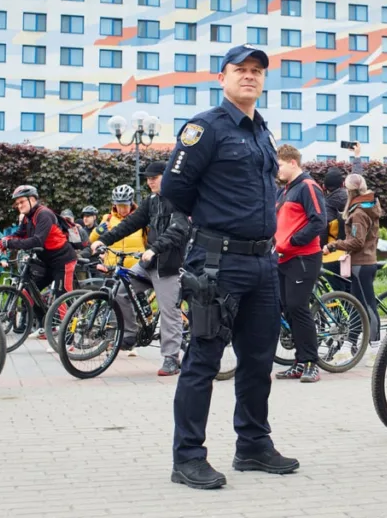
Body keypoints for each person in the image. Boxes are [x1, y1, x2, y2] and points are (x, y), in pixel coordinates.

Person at [162, 43, 298, 490]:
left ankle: (253, 445)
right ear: (221, 77)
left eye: (257, 70)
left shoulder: (262, 132)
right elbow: (175, 190)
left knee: (258, 360)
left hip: (262, 263)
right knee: (203, 360)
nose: (249, 76)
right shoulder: (205, 128)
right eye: (240, 69)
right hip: (217, 264)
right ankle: (188, 457)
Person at [90, 161, 190, 375]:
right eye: (147, 178)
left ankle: (171, 359)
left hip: (169, 265)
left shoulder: (180, 200)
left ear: (167, 176)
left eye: (154, 177)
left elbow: (178, 230)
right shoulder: (151, 201)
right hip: (148, 263)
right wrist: (104, 240)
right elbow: (130, 223)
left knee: (169, 311)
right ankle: (129, 335)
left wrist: (154, 249)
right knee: (120, 291)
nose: (150, 181)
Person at [274, 144, 327, 383]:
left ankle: (311, 363)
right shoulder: (285, 190)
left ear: (292, 162)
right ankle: (299, 361)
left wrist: (293, 241)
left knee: (298, 307)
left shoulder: (307, 186)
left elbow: (319, 222)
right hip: (283, 258)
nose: (277, 169)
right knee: (288, 309)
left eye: (280, 165)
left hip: (304, 257)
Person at [324, 173, 382, 356]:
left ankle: (376, 347)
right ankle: (350, 344)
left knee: (368, 306)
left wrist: (334, 245)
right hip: (361, 263)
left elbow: (357, 242)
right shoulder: (365, 205)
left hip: (362, 264)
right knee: (357, 305)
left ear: (348, 190)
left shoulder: (358, 213)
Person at [0, 186, 78, 310]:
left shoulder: (44, 214)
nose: (19, 206)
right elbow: (18, 234)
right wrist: (4, 240)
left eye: (22, 202)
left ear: (32, 199)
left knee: (61, 298)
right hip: (47, 262)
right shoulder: (27, 217)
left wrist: (9, 244)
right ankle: (43, 323)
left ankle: (68, 328)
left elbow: (37, 241)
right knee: (29, 293)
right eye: (17, 203)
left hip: (63, 261)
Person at [90, 186, 145, 269]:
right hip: (112, 266)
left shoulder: (140, 219)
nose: (122, 209)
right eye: (119, 206)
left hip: (135, 267)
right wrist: (97, 231)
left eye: (125, 206)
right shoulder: (108, 218)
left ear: (131, 203)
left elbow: (149, 242)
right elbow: (92, 240)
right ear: (114, 205)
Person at [321, 166, 350, 293]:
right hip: (351, 254)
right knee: (350, 293)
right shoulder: (352, 199)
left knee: (335, 295)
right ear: (343, 184)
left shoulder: (326, 204)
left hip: (331, 255)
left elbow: (323, 228)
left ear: (324, 186)